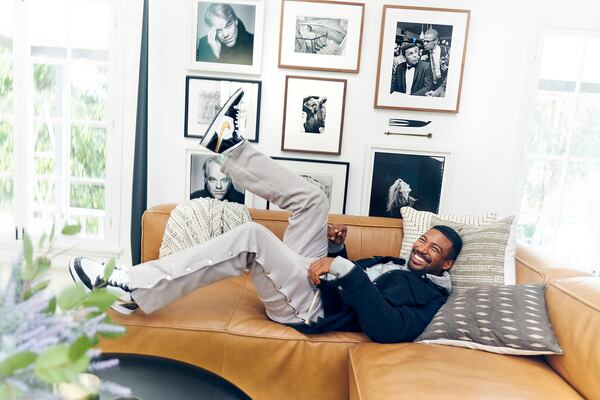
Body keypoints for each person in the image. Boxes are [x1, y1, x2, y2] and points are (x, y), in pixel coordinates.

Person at [69, 89, 463, 344]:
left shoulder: (430, 295)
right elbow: (356, 280)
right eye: (424, 240)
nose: (422, 248)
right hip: (317, 282)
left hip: (311, 309)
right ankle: (230, 147)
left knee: (254, 237)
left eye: (434, 249)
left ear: (447, 263)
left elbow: (387, 328)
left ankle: (128, 282)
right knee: (313, 199)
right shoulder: (401, 266)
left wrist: (343, 269)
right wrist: (336, 249)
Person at [421, 29, 449, 97]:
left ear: (436, 41)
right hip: (431, 84)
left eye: (427, 41)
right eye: (424, 41)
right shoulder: (425, 52)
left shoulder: (446, 51)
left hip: (443, 83)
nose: (424, 44)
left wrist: (447, 69)